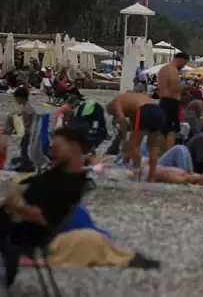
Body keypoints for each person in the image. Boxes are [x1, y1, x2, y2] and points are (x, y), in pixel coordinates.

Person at [0, 127, 89, 287]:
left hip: (22, 232)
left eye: (56, 148)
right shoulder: (58, 173)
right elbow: (28, 184)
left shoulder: (71, 184)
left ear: (74, 148)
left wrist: (19, 206)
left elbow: (46, 219)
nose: (51, 153)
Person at [107, 92, 164, 182]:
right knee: (152, 146)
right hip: (158, 110)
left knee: (134, 144)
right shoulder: (130, 100)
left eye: (114, 115)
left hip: (144, 110)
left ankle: (137, 174)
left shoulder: (115, 103)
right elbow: (134, 124)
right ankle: (152, 177)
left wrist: (124, 139)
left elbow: (122, 119)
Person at [157, 52, 188, 151]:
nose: (183, 67)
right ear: (181, 60)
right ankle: (168, 153)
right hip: (171, 102)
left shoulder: (163, 69)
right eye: (184, 64)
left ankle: (161, 153)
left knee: (163, 130)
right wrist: (184, 87)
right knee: (171, 130)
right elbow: (174, 88)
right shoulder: (173, 71)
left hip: (163, 101)